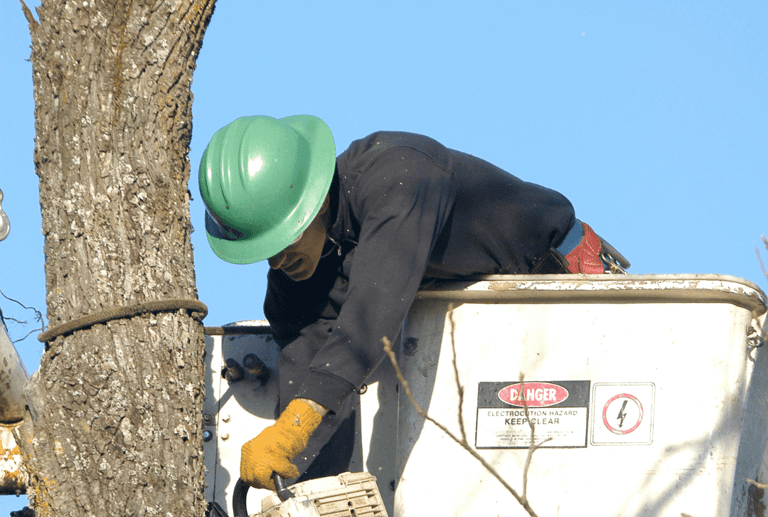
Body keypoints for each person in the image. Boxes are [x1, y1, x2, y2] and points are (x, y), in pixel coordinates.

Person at [199, 115, 628, 491]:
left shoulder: (399, 174)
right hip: (472, 332)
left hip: (566, 294)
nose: (276, 260)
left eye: (282, 239)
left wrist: (295, 425)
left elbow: (372, 310)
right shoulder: (297, 279)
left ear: (310, 204)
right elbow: (310, 378)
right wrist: (302, 487)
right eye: (264, 250)